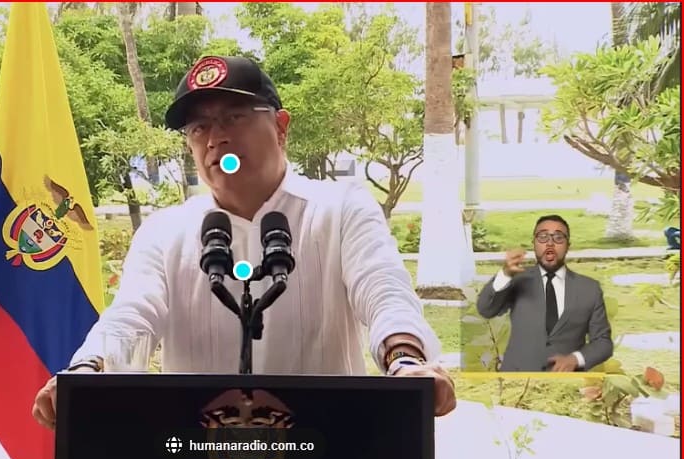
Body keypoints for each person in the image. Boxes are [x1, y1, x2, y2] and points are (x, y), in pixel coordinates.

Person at [33, 56, 456, 429]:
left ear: (281, 127)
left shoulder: (341, 210)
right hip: (197, 449)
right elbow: (131, 317)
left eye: (234, 117)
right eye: (198, 127)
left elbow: (384, 292)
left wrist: (406, 361)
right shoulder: (163, 233)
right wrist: (87, 370)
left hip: (326, 444)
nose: (215, 139)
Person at [475, 215, 613, 372]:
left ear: (568, 245)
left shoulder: (589, 289)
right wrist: (505, 275)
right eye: (543, 237)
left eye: (558, 238)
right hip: (516, 380)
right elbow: (485, 309)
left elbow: (603, 342)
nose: (550, 243)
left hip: (565, 381)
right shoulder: (517, 280)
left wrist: (576, 359)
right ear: (534, 243)